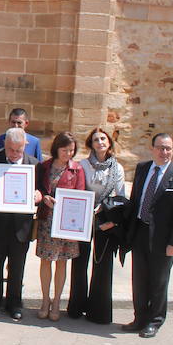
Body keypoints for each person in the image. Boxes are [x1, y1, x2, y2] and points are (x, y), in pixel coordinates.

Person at [123, 133, 173, 338]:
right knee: (139, 279)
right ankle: (139, 318)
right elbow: (136, 199)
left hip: (163, 239)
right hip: (140, 232)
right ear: (153, 148)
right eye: (161, 148)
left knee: (159, 280)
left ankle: (154, 321)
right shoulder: (143, 169)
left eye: (168, 148)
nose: (165, 152)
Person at [0, 128, 42, 320]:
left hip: (21, 227)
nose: (15, 154)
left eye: (18, 150)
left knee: (17, 268)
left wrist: (38, 196)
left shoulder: (33, 164)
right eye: (11, 150)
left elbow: (41, 190)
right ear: (4, 145)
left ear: (24, 146)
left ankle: (14, 303)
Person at [73, 127, 126, 324]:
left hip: (105, 220)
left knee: (102, 264)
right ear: (91, 144)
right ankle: (77, 306)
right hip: (84, 218)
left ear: (109, 142)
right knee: (79, 264)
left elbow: (120, 197)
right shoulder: (83, 165)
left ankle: (98, 311)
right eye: (96, 140)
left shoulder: (117, 168)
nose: (100, 142)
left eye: (103, 139)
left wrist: (111, 220)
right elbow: (78, 190)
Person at [35, 132, 86, 321]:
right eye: (65, 150)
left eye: (72, 151)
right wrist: (43, 197)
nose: (68, 154)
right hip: (47, 220)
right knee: (45, 260)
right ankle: (45, 299)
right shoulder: (45, 166)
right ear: (57, 148)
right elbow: (38, 188)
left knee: (62, 261)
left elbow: (81, 196)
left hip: (67, 222)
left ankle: (57, 301)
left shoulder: (77, 169)